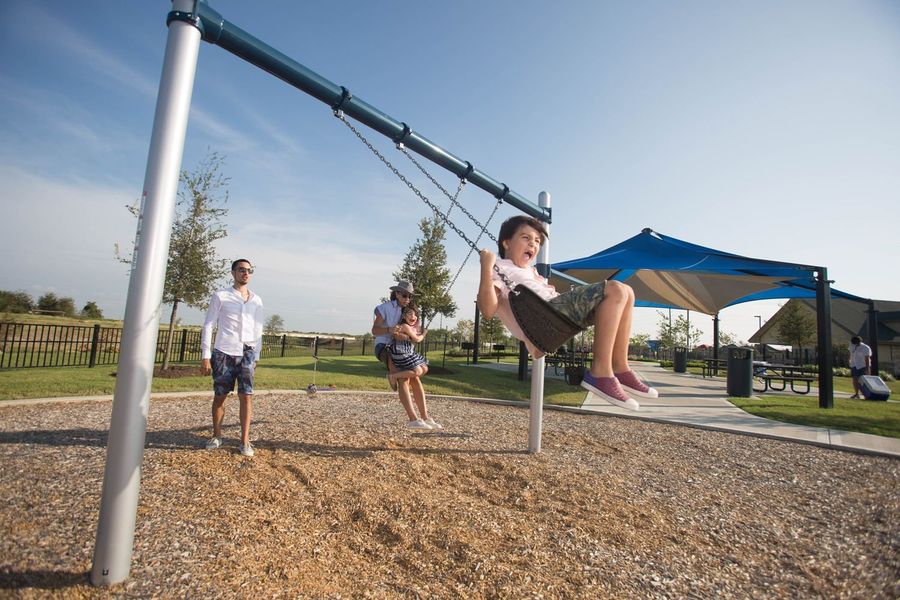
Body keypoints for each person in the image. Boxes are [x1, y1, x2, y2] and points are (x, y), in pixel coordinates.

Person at [478, 215, 657, 411]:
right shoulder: (500, 268)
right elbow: (487, 310)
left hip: (555, 316)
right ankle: (600, 373)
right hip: (545, 315)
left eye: (537, 241)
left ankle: (620, 367)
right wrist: (486, 267)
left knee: (627, 292)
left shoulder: (530, 271)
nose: (533, 244)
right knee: (615, 288)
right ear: (506, 242)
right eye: (525, 238)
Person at [201, 259, 264, 457]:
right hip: (224, 352)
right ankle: (217, 435)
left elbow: (258, 328)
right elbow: (208, 324)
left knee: (247, 396)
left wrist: (257, 356)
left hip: (247, 353)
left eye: (249, 270)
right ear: (233, 272)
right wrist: (205, 354)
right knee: (220, 397)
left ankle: (245, 441)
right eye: (242, 270)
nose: (246, 273)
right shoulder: (221, 296)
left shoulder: (256, 300)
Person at [372, 281, 442, 430]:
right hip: (385, 346)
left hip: (403, 349)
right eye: (404, 295)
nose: (407, 299)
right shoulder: (384, 309)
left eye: (409, 296)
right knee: (404, 377)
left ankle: (425, 417)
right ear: (397, 294)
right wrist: (390, 330)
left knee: (415, 377)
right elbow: (374, 331)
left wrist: (415, 334)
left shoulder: (410, 311)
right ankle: (412, 419)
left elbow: (412, 334)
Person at [848, 335, 872, 399]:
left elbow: (866, 358)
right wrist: (849, 360)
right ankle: (856, 394)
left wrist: (867, 369)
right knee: (855, 380)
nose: (855, 345)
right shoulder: (851, 344)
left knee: (863, 381)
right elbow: (851, 353)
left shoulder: (865, 348)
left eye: (856, 343)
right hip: (854, 365)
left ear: (859, 342)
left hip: (862, 366)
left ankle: (867, 395)